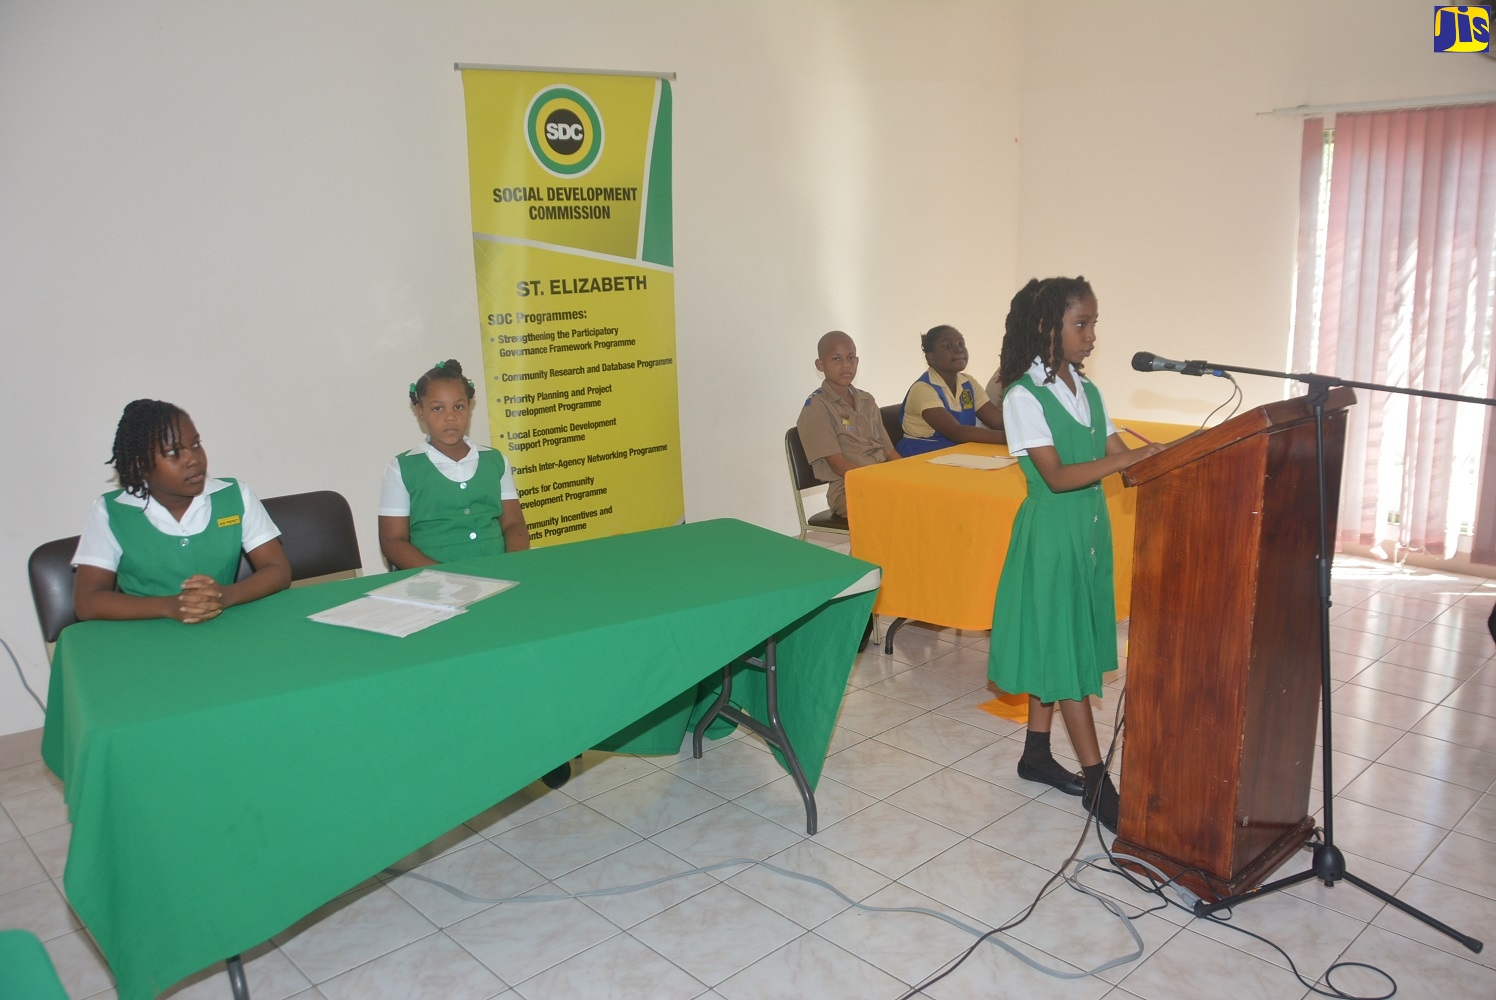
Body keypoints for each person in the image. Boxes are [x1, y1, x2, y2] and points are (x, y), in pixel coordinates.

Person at [989, 277, 1164, 833]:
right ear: (1047, 328)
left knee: (1059, 640)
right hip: (1051, 538)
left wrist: (1170, 457)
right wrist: (1126, 461)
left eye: (1093, 324)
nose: (1091, 336)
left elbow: (1123, 460)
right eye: (1080, 324)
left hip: (1087, 535)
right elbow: (1059, 476)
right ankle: (1096, 782)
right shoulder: (1022, 397)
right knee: (1063, 652)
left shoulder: (1087, 392)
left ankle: (1036, 754)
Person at [73, 399, 291, 623]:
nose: (193, 459)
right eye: (173, 452)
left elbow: (278, 570)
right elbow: (88, 602)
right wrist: (169, 606)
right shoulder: (112, 512)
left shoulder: (235, 495)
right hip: (145, 636)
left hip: (225, 628)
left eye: (196, 444)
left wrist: (225, 596)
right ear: (140, 465)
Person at [378, 359, 530, 569]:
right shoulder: (402, 469)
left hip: (500, 572)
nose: (450, 417)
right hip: (435, 583)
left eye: (458, 406)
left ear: (470, 406)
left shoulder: (495, 461)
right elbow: (392, 541)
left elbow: (514, 525)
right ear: (420, 412)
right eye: (438, 408)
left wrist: (513, 564)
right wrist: (446, 576)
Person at [796, 330, 900, 519]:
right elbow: (839, 465)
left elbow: (889, 452)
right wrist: (880, 483)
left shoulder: (867, 400)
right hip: (847, 488)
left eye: (851, 358)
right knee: (895, 508)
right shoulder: (816, 408)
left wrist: (912, 475)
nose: (846, 364)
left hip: (881, 479)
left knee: (927, 498)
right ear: (820, 365)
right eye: (836, 359)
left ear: (857, 361)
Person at [896, 325, 1007, 456]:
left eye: (961, 344)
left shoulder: (968, 383)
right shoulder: (923, 389)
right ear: (930, 357)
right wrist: (1011, 438)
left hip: (956, 453)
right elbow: (956, 432)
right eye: (948, 346)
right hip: (922, 455)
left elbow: (998, 421)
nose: (959, 350)